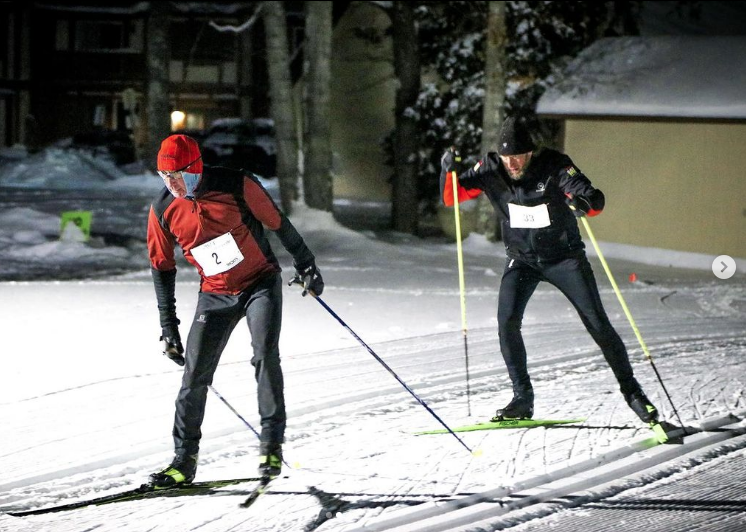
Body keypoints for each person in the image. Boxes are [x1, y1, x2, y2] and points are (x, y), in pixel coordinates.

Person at [440, 117, 659, 426]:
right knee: (507, 323)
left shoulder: (554, 165)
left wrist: (585, 202)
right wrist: (446, 169)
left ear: (532, 152)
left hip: (564, 258)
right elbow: (451, 196)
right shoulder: (490, 170)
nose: (513, 163)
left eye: (519, 155)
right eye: (507, 157)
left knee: (597, 323)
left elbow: (594, 199)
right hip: (522, 259)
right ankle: (522, 399)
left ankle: (634, 395)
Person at [147, 134, 324, 488]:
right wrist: (169, 327)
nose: (172, 184)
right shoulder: (163, 209)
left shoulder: (235, 184)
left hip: (260, 283)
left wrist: (307, 264)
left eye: (178, 175)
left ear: (195, 168)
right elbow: (161, 268)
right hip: (215, 295)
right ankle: (183, 461)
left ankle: (271, 444)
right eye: (165, 177)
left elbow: (277, 223)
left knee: (264, 356)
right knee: (194, 376)